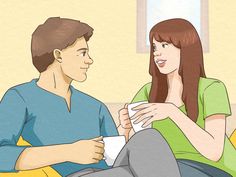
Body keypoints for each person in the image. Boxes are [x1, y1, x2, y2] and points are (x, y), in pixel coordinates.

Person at [0, 17, 182, 177]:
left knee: (148, 138)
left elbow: (115, 156)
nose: (89, 60)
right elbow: (2, 155)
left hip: (111, 172)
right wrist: (69, 152)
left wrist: (124, 131)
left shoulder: (94, 106)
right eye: (82, 53)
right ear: (58, 55)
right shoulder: (19, 97)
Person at [118, 18, 236, 176]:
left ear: (185, 48)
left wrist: (173, 113)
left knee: (148, 138)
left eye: (164, 45)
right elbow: (131, 149)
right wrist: (124, 129)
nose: (157, 53)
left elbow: (213, 152)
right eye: (154, 47)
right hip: (161, 167)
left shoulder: (211, 88)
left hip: (209, 169)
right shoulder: (148, 91)